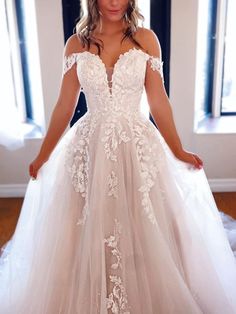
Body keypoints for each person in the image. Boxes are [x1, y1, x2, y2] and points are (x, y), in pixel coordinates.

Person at [0, 0, 236, 313]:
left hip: (136, 144)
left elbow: (158, 102)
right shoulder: (76, 44)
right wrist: (43, 155)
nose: (114, 2)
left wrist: (178, 149)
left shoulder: (146, 39)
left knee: (147, 223)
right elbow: (64, 106)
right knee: (83, 227)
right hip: (89, 145)